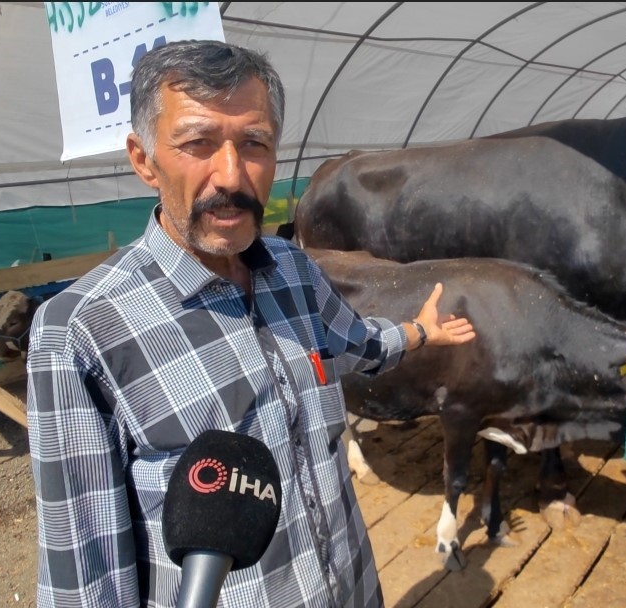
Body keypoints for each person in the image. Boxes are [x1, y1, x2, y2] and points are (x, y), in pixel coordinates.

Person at [26, 39, 476, 608]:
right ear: (144, 159)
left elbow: (354, 343)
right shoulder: (80, 333)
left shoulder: (291, 268)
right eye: (198, 143)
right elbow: (83, 580)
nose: (232, 175)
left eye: (255, 143)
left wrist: (418, 332)